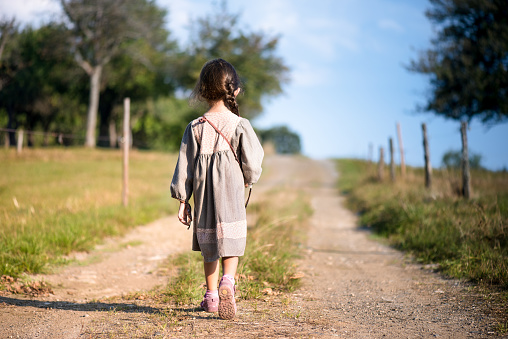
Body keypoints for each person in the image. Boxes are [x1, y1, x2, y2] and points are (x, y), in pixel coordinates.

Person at [170, 58, 264, 320]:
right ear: (234, 90)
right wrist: (249, 179)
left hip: (203, 194)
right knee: (231, 240)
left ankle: (211, 297)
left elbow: (184, 165)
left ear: (202, 91)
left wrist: (182, 200)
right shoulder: (239, 124)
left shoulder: (195, 127)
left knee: (208, 242)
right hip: (231, 190)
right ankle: (228, 281)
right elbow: (253, 160)